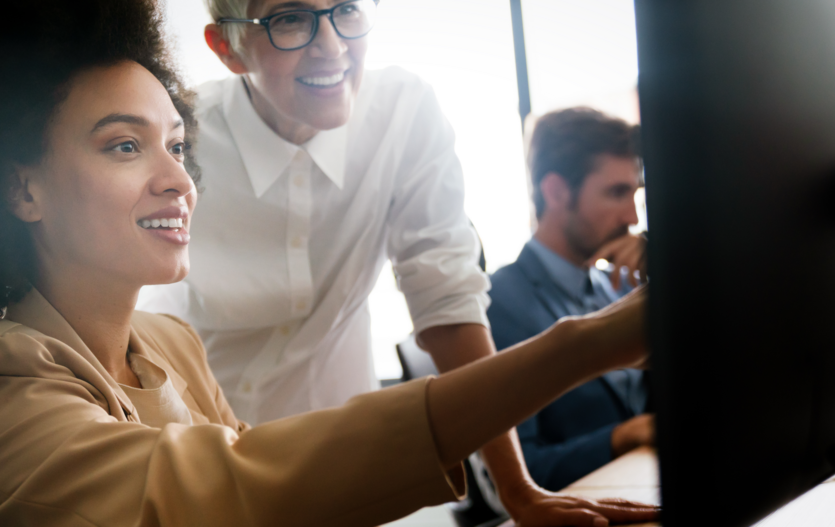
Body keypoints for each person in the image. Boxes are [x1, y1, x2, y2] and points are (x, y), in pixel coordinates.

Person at [0, 1, 661, 526]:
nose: (181, 180)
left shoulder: (166, 346)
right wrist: (586, 343)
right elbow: (235, 487)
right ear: (19, 187)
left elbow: (441, 292)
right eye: (125, 145)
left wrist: (519, 489)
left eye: (177, 147)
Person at [136, 1, 648, 522]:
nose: (332, 45)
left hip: (347, 468)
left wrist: (518, 490)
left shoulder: (402, 114)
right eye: (290, 18)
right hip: (211, 474)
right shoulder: (179, 141)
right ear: (228, 47)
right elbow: (139, 319)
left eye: (346, 10)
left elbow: (447, 302)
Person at [486, 108, 654, 492]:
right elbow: (520, 472)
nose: (632, 215)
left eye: (635, 194)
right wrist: (623, 435)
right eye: (616, 193)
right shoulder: (500, 303)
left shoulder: (617, 287)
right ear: (557, 192)